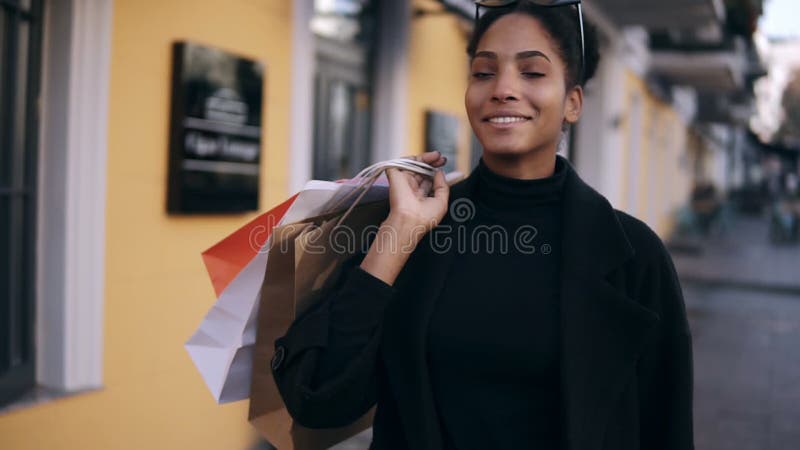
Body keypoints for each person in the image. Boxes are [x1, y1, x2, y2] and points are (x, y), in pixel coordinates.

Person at [272, 2, 694, 449]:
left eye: (532, 72)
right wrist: (396, 236)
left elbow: (666, 428)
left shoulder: (636, 255)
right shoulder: (414, 229)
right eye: (483, 72)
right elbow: (318, 399)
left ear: (573, 102)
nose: (503, 89)